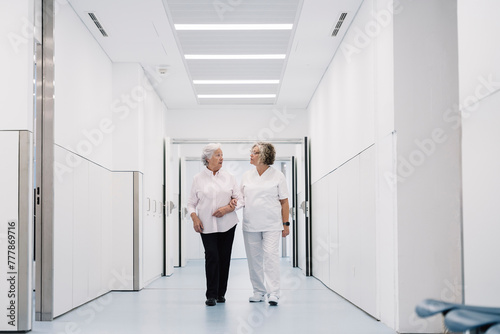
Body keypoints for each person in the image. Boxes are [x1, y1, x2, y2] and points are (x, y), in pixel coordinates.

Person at [187, 143, 240, 306]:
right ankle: (211, 294)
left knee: (224, 258)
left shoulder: (229, 177)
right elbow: (190, 203)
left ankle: (220, 294)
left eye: (222, 155)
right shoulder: (198, 178)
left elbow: (239, 198)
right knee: (212, 256)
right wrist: (194, 218)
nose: (221, 158)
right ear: (207, 158)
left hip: (228, 224)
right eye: (218, 155)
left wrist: (228, 208)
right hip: (206, 225)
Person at [240, 142, 290, 306]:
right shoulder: (247, 175)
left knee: (270, 257)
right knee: (254, 260)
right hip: (250, 224)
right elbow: (240, 198)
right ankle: (258, 291)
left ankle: (273, 293)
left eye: (254, 153)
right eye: (251, 152)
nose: (251, 155)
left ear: (264, 156)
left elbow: (284, 202)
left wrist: (286, 224)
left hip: (272, 225)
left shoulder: (277, 176)